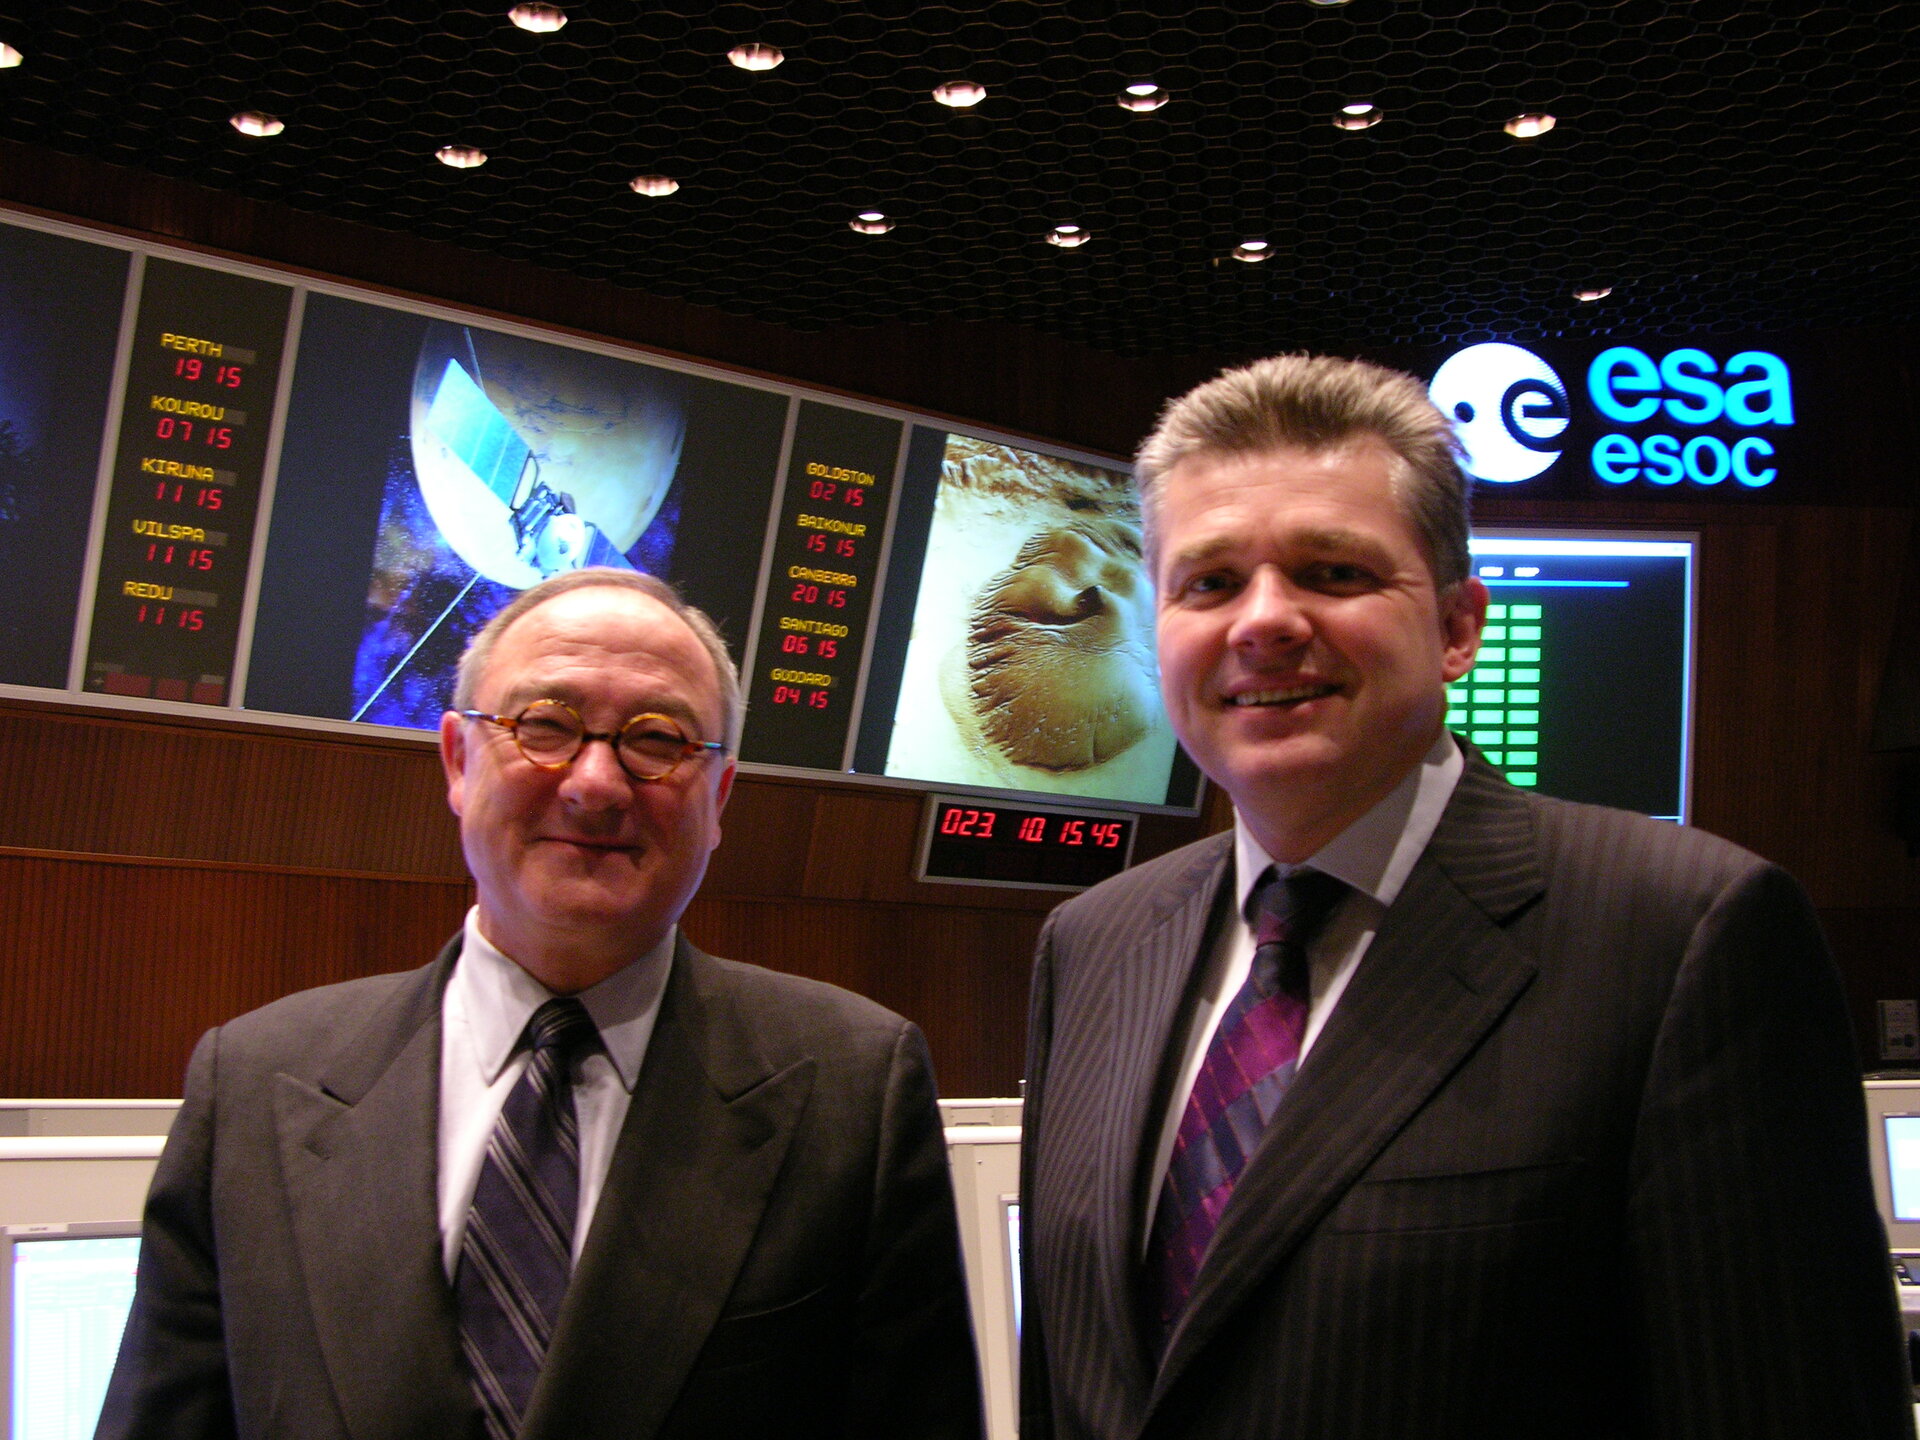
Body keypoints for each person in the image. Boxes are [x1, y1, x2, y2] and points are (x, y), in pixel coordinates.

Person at [1017, 354, 1912, 1440]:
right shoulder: (1093, 944)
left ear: (1456, 626)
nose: (1263, 621)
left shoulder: (1686, 937)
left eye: (1334, 572)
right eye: (1208, 583)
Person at [100, 568, 983, 1440]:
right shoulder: (255, 1082)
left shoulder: (853, 1087)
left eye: (659, 739)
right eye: (546, 725)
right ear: (457, 758)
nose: (595, 783)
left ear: (717, 798)